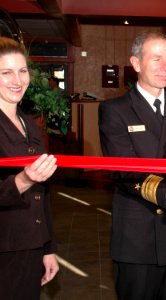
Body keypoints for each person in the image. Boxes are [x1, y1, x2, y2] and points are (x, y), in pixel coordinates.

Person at [98, 31, 166, 300]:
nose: (165, 67)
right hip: (137, 238)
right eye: (156, 59)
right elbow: (123, 171)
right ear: (136, 63)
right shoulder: (115, 111)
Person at [0, 37, 59, 299]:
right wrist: (23, 180)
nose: (17, 80)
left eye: (22, 70)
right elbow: (27, 181)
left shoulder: (28, 123)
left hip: (30, 245)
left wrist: (48, 248)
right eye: (6, 72)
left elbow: (42, 191)